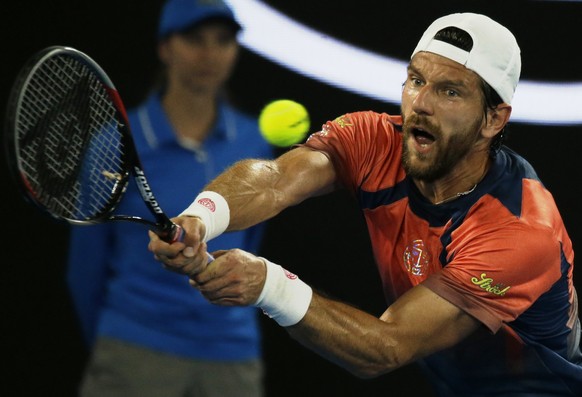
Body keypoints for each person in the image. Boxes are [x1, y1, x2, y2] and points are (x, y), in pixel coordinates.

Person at [148, 12, 582, 396]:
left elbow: (386, 348)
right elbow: (276, 180)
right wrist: (201, 217)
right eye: (416, 80)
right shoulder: (375, 140)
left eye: (450, 92)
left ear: (493, 119)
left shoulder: (521, 232)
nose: (422, 104)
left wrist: (267, 284)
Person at [66, 1, 273, 396]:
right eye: (195, 39)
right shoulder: (113, 147)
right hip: (134, 350)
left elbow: (251, 244)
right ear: (165, 48)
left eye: (223, 41)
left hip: (232, 354)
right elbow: (84, 269)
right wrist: (118, 342)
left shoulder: (254, 143)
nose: (210, 54)